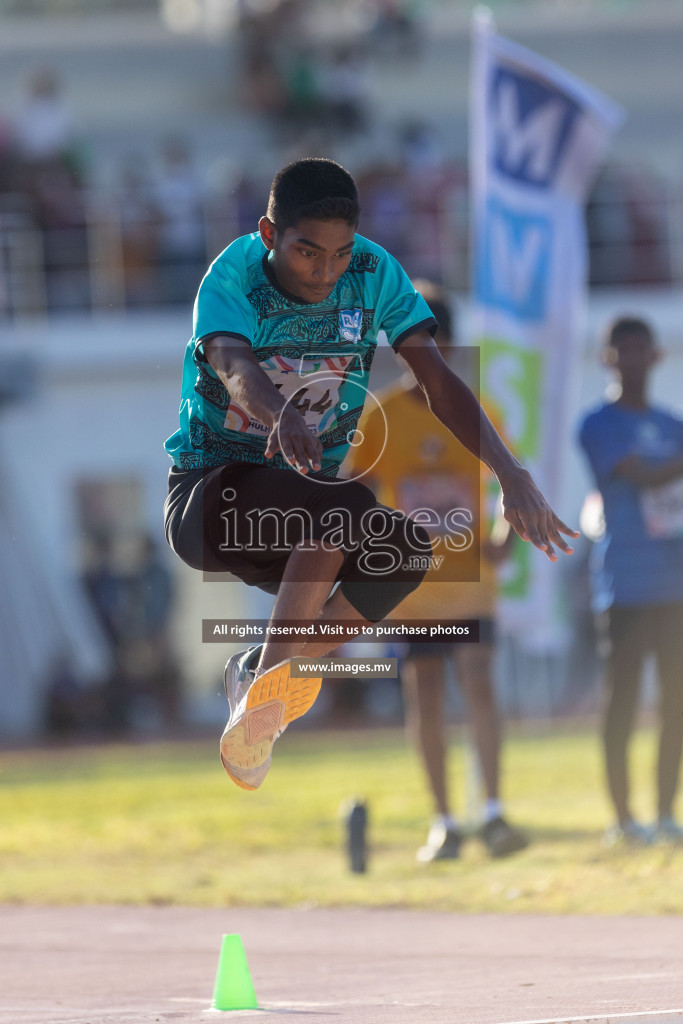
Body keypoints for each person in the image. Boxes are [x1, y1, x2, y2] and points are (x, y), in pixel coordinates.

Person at [163, 157, 577, 791]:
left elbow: (437, 380)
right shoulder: (234, 274)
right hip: (212, 500)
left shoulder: (374, 273)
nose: (324, 272)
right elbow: (232, 362)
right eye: (306, 253)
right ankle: (269, 693)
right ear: (270, 235)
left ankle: (262, 673)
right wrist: (278, 414)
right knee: (346, 501)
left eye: (337, 254)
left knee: (404, 550)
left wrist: (512, 473)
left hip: (305, 519)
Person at [345, 281, 527, 860]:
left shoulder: (480, 410)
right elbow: (355, 496)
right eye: (409, 344)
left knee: (477, 682)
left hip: (470, 584)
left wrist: (502, 539)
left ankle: (494, 814)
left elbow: (507, 484)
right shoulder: (380, 419)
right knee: (424, 694)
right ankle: (444, 821)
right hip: (411, 590)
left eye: (434, 343)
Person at [579, 316, 683, 845]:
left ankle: (666, 816)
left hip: (675, 588)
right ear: (608, 358)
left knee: (676, 705)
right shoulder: (597, 424)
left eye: (643, 349)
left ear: (657, 356)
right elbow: (642, 474)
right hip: (624, 586)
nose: (634, 359)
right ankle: (622, 821)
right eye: (624, 350)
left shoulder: (674, 425)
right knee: (621, 702)